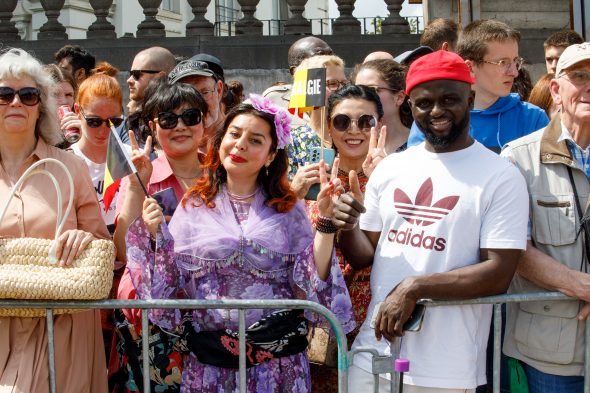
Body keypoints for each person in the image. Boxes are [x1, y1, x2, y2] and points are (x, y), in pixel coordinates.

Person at [125, 95, 355, 392]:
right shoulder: (193, 203)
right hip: (211, 362)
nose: (241, 144)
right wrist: (156, 233)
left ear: (271, 155)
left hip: (277, 365)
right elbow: (169, 286)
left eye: (256, 140)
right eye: (234, 134)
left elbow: (313, 277)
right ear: (220, 142)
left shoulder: (287, 207)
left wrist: (324, 222)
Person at [333, 50, 529, 392]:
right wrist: (346, 224)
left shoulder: (500, 176)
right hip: (373, 354)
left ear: (469, 99)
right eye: (424, 103)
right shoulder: (392, 168)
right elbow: (366, 254)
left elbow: (499, 271)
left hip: (447, 368)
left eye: (449, 99)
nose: (437, 111)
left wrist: (416, 287)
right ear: (410, 105)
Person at [0, 47, 109, 393]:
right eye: (4, 94)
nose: (16, 102)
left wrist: (86, 240)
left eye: (28, 94)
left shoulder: (70, 166)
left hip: (61, 328)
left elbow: (103, 247)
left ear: (41, 106)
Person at [109, 78, 208, 393]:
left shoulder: (224, 176)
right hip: (152, 322)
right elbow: (122, 248)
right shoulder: (140, 173)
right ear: (153, 126)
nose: (180, 126)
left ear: (204, 122)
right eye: (168, 119)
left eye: (190, 117)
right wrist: (139, 184)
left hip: (210, 315)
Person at [502, 42, 590, 393]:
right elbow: (514, 250)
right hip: (550, 353)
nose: (589, 86)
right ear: (555, 88)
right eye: (580, 76)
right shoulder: (518, 159)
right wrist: (582, 286)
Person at [308, 84, 386, 393]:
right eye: (342, 122)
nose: (354, 130)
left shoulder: (400, 176)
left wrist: (380, 182)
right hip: (324, 322)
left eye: (365, 121)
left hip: (379, 324)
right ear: (329, 128)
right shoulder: (311, 180)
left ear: (380, 125)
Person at [407, 19, 549, 152]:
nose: (514, 72)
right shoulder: (438, 120)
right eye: (503, 62)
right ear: (470, 68)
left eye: (515, 61)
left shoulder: (532, 118)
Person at [70, 63, 125, 234]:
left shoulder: (130, 158)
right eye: (94, 121)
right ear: (78, 111)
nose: (104, 130)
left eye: (113, 122)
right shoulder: (66, 161)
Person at [288, 54, 348, 198]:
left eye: (344, 83)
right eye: (332, 83)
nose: (341, 89)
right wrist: (294, 190)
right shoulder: (291, 140)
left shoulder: (357, 133)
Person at [262, 36, 333, 127]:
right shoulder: (274, 99)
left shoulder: (345, 98)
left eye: (331, 56)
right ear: (295, 71)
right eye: (319, 58)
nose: (330, 63)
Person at [352, 59, 413, 153]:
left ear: (399, 98)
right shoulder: (351, 142)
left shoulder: (419, 145)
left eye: (371, 89)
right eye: (357, 90)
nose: (362, 96)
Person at [168, 58, 225, 152]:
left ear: (219, 90)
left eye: (204, 92)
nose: (198, 102)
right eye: (186, 96)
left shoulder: (239, 141)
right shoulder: (171, 147)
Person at [126, 46, 176, 114]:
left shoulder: (174, 114)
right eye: (131, 73)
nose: (129, 80)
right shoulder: (134, 111)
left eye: (136, 74)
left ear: (160, 77)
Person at [43, 64, 82, 147]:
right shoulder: (30, 131)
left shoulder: (83, 125)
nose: (64, 101)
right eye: (55, 94)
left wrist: (83, 139)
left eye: (68, 95)